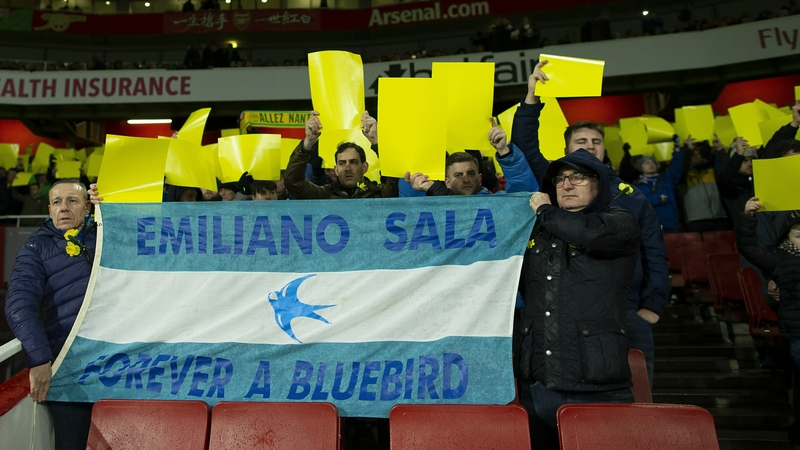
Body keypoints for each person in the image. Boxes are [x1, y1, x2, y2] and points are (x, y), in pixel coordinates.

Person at [512, 60, 669, 385]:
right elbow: (526, 147)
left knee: (634, 399)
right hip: (569, 308)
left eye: (596, 142)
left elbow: (655, 251)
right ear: (565, 151)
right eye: (581, 143)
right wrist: (531, 99)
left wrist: (652, 304)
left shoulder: (632, 196)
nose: (589, 147)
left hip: (629, 307)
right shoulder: (557, 187)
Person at [516, 149, 640, 450]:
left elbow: (585, 233)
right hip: (540, 385)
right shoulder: (539, 230)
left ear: (599, 185)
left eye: (578, 178)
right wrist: (436, 191)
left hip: (597, 387)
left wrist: (545, 211)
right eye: (560, 180)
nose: (566, 185)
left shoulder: (618, 221)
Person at [5, 179, 96, 450]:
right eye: (57, 202)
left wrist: (116, 210)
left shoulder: (108, 234)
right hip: (69, 370)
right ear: (49, 208)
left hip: (120, 366)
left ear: (88, 207)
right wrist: (40, 357)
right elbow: (19, 303)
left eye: (73, 201)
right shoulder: (36, 248)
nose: (64, 208)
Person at [737, 200, 800, 444]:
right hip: (797, 334)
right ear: (787, 237)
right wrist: (747, 217)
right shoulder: (779, 258)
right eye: (798, 234)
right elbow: (749, 247)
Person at [404, 120, 538, 195]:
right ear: (447, 182)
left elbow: (525, 195)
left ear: (480, 179)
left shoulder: (498, 203)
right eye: (458, 175)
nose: (466, 179)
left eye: (471, 173)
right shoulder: (432, 210)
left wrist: (504, 150)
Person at [285, 111, 398, 199]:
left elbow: (394, 176)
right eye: (342, 163)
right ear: (336, 170)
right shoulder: (323, 195)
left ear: (364, 167)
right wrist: (308, 141)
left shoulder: (380, 195)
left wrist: (375, 141)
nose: (347, 168)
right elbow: (293, 182)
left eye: (353, 162)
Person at [630, 135, 683, 233]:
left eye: (652, 162)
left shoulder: (666, 179)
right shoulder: (637, 186)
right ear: (641, 168)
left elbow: (677, 165)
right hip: (650, 228)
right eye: (646, 163)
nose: (651, 164)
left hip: (671, 224)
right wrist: (657, 199)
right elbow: (638, 204)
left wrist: (676, 147)